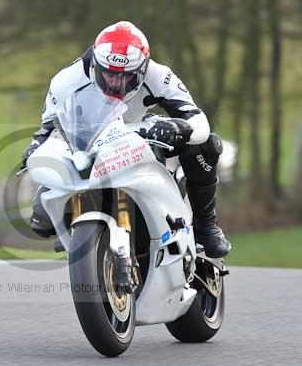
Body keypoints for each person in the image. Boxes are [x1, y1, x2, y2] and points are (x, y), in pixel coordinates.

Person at [21, 21, 231, 258]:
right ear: (95, 66)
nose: (115, 83)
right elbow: (49, 127)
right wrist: (35, 146)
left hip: (141, 136)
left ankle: (206, 225)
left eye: (125, 78)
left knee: (205, 145)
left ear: (142, 70)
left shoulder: (160, 76)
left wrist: (177, 127)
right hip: (89, 143)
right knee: (41, 220)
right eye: (108, 75)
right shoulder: (66, 80)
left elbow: (197, 118)